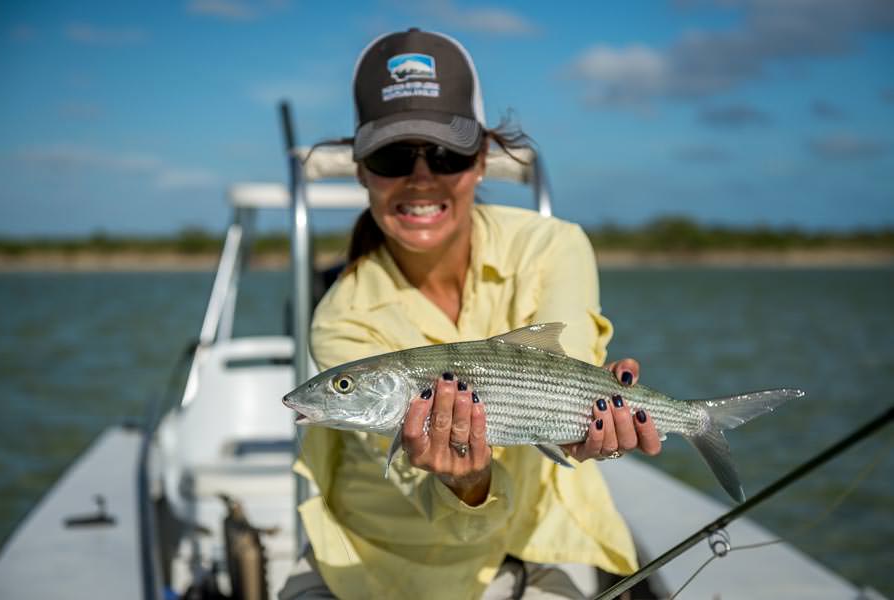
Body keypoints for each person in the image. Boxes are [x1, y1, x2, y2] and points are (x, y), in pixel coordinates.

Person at [281, 28, 662, 600]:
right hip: (381, 566)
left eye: (445, 153)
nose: (421, 177)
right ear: (360, 168)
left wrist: (588, 420)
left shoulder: (553, 247)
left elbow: (570, 376)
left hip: (540, 545)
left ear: (481, 158)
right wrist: (467, 481)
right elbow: (417, 480)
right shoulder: (340, 318)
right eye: (391, 155)